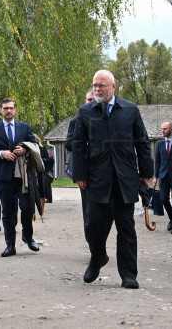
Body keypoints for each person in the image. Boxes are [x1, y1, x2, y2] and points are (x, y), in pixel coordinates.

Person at [72, 70, 153, 289]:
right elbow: (78, 145)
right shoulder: (86, 112)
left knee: (126, 227)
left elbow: (142, 142)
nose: (97, 89)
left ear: (113, 87)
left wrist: (146, 173)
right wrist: (79, 174)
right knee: (94, 225)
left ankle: (128, 274)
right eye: (95, 85)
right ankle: (97, 258)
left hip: (125, 178)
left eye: (102, 85)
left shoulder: (129, 109)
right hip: (97, 179)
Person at [0, 98, 40, 257]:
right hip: (3, 177)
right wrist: (1, 153)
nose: (8, 111)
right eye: (5, 108)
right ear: (1, 111)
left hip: (22, 175)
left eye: (11, 108)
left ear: (15, 110)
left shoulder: (24, 127)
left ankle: (28, 237)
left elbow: (34, 145)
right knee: (8, 212)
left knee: (27, 207)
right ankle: (10, 245)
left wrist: (24, 149)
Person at [65, 89, 94, 242]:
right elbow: (69, 144)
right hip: (86, 172)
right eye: (88, 100)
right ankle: (92, 245)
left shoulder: (108, 118)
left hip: (105, 170)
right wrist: (88, 145)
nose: (91, 102)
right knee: (89, 210)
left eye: (94, 99)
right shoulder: (76, 121)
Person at [154, 121, 172, 234]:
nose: (162, 131)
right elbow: (157, 161)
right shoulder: (159, 144)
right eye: (161, 129)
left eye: (165, 129)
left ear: (171, 129)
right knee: (164, 198)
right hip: (163, 175)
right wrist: (156, 176)